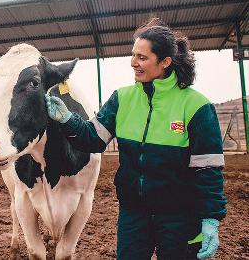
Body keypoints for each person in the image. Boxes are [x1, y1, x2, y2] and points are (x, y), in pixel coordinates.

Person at [45, 19, 226, 260]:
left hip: (180, 217)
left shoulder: (197, 106)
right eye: (133, 55)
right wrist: (67, 119)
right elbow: (92, 140)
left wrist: (211, 218)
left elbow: (208, 168)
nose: (133, 63)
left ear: (165, 62)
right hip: (133, 214)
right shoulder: (123, 99)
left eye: (142, 57)